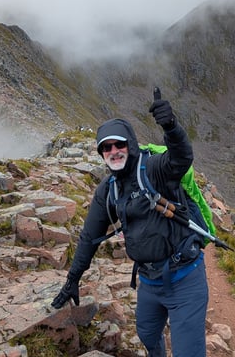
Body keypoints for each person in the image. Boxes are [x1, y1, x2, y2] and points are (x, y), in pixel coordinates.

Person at [51, 93, 208, 357]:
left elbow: (181, 158)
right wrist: (72, 280)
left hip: (185, 278)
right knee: (147, 334)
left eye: (119, 144)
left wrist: (171, 128)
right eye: (106, 148)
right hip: (149, 281)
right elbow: (89, 237)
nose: (113, 151)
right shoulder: (108, 189)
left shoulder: (154, 168)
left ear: (131, 144)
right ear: (101, 153)